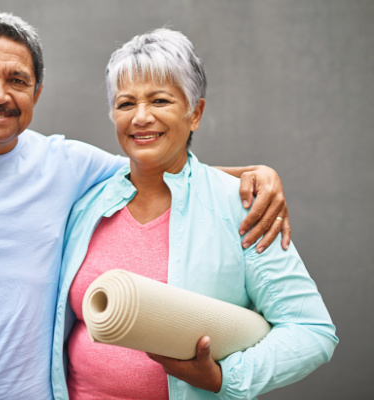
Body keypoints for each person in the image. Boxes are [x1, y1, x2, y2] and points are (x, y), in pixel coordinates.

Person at [0, 12, 290, 400]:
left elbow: (157, 164)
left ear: (36, 93)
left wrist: (255, 176)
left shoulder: (66, 164)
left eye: (17, 80)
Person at [51, 28, 338, 399]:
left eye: (160, 101)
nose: (141, 117)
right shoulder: (87, 205)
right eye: (125, 104)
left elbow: (312, 329)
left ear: (195, 113)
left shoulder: (241, 207)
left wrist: (223, 378)